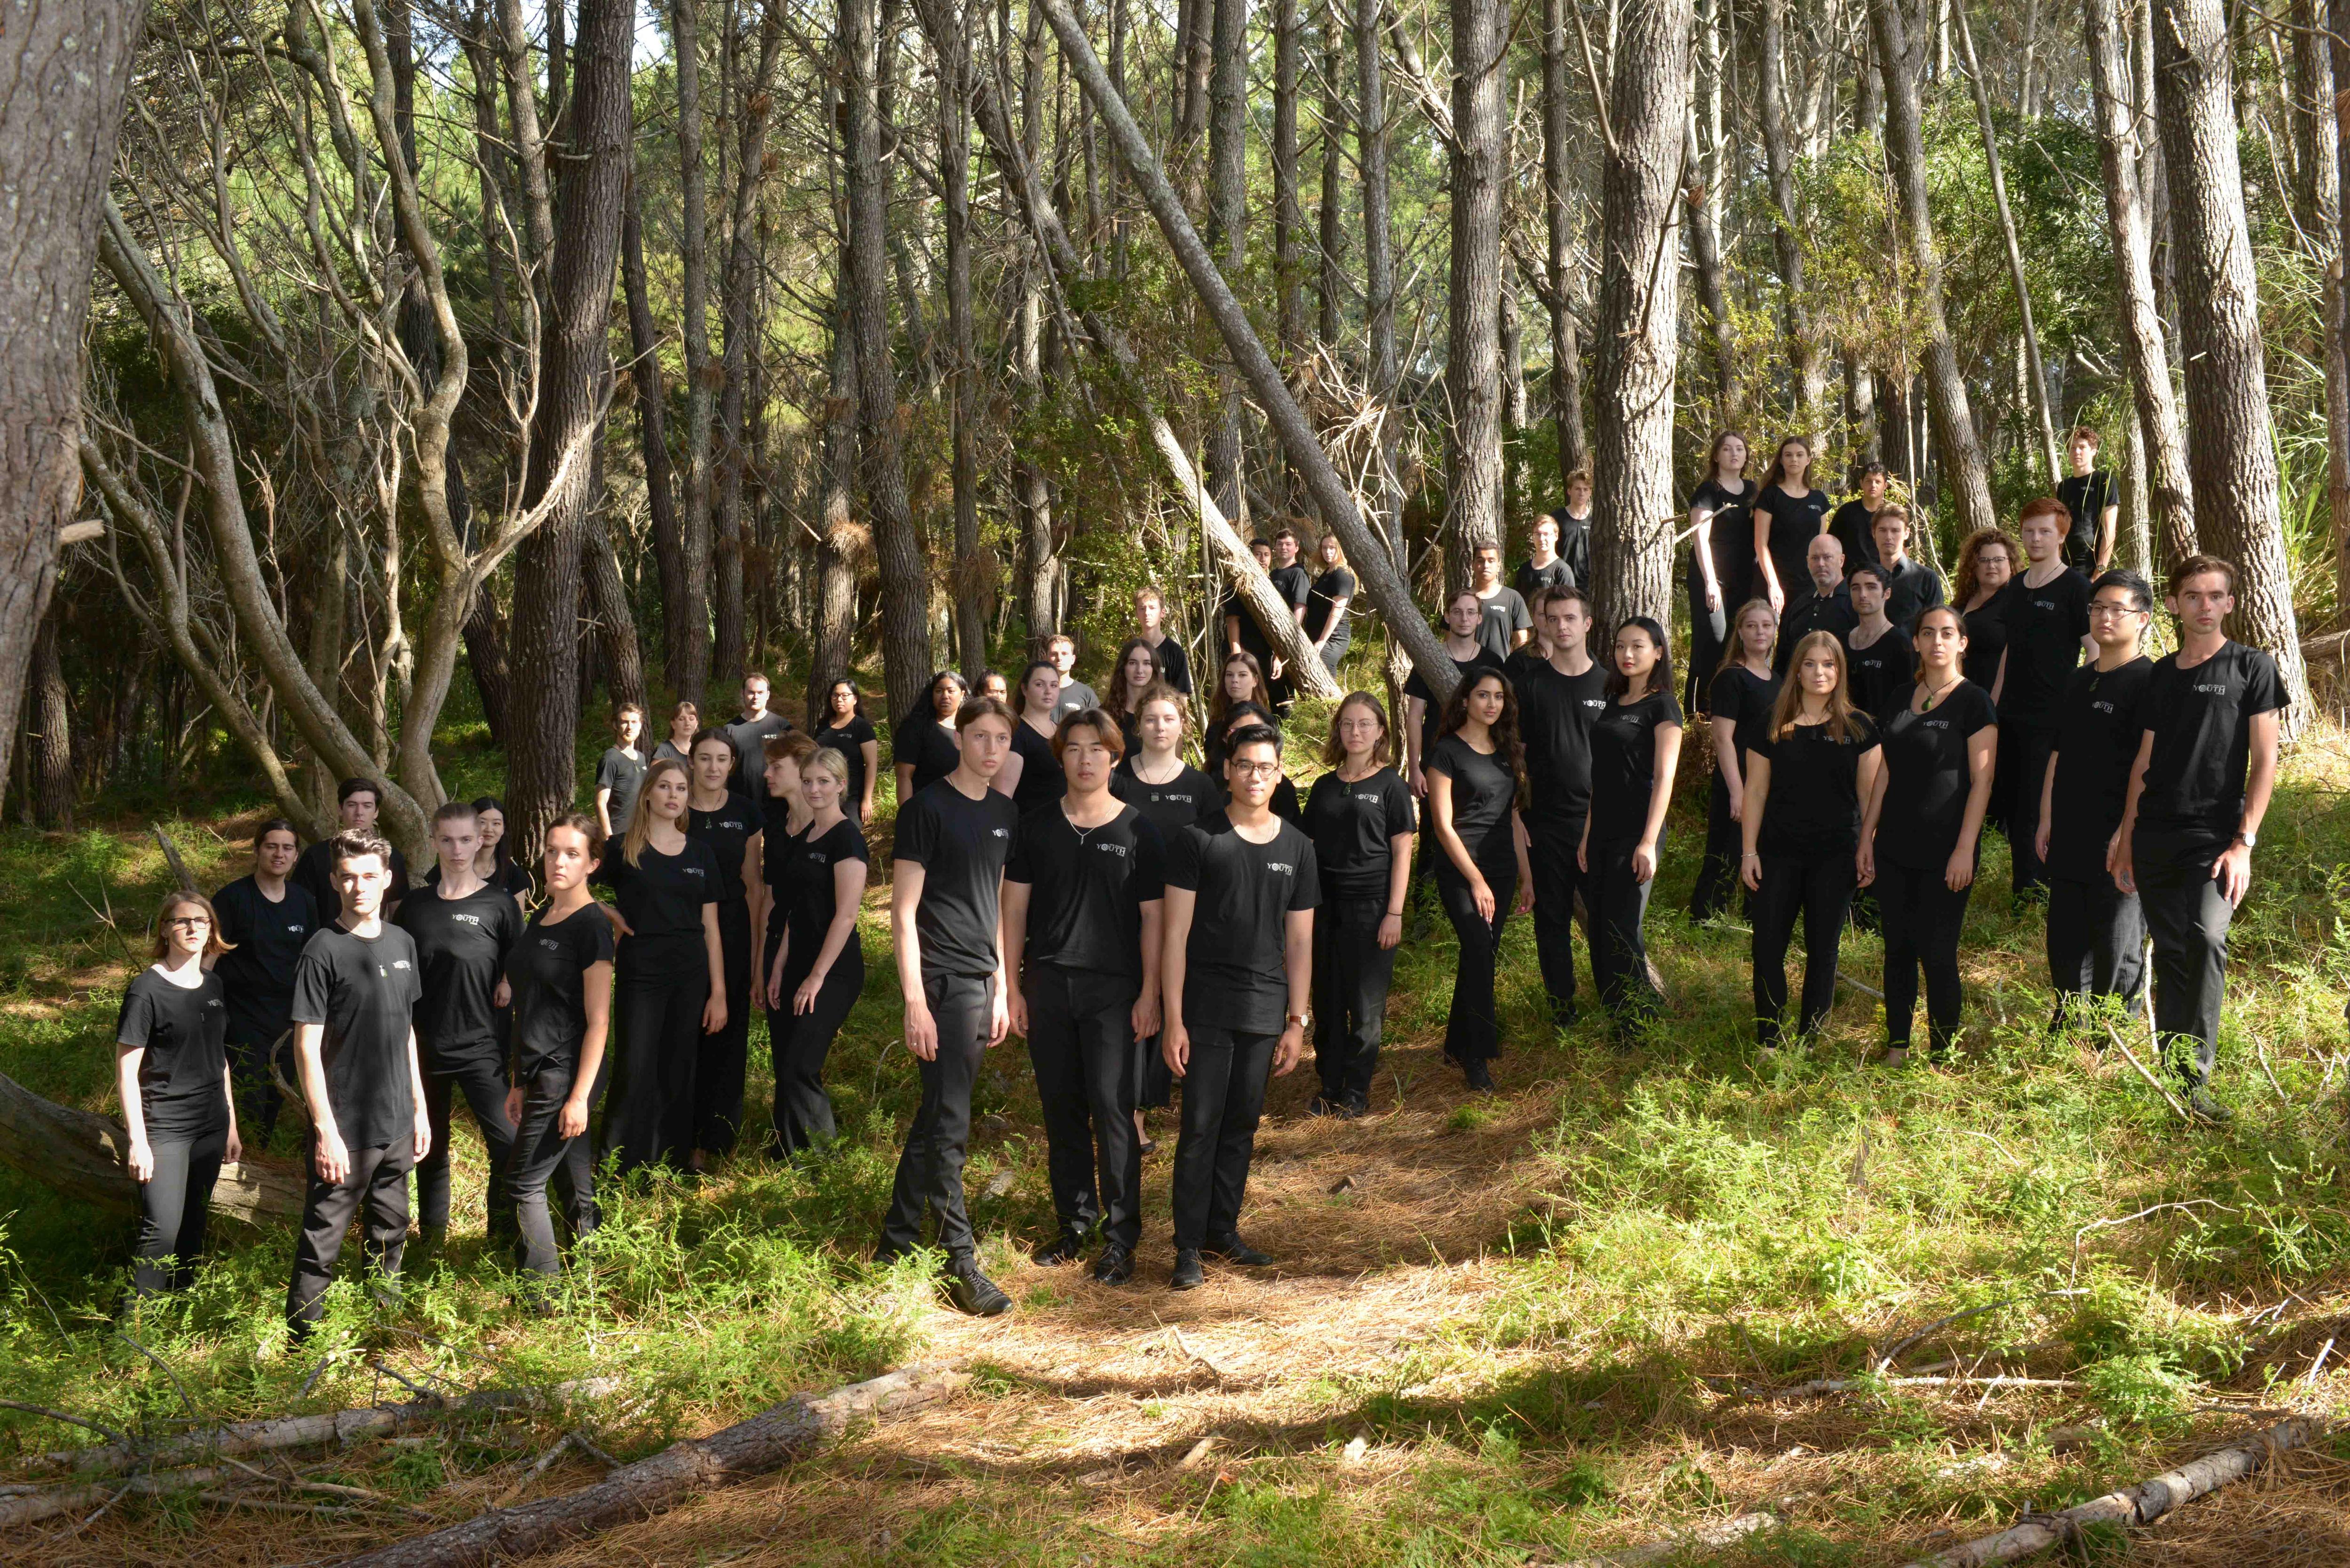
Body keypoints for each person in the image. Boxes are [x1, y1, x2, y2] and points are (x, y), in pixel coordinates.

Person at [2110, 556, 2284, 1120]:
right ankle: (2177, 1084)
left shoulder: (2251, 667)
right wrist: (2126, 835)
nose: (2203, 606)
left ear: (2229, 603)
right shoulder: (2161, 674)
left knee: (2207, 939)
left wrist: (2243, 843)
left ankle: (2196, 1083)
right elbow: (2144, 758)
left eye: (2214, 596)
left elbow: (2264, 762)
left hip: (2215, 837)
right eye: (2192, 596)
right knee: (2174, 954)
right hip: (2156, 833)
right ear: (2173, 604)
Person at [1003, 711, 1164, 1284]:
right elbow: (1013, 910)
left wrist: (1150, 993)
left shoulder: (1139, 830)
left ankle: (1121, 1239)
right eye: (1073, 749)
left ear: (1115, 758)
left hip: (1114, 993)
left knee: (1113, 1111)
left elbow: (1154, 921)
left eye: (1097, 750)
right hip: (1047, 984)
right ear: (1061, 757)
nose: (1085, 759)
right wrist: (1010, 986)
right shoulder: (1037, 825)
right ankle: (1074, 1224)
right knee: (1061, 1109)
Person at [877, 695, 1020, 1316]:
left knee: (938, 1113)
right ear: (960, 738)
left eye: (1001, 739)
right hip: (938, 985)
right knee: (951, 1125)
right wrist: (915, 1002)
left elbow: (992, 905)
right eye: (981, 736)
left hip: (979, 983)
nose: (991, 749)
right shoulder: (926, 809)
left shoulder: (1004, 813)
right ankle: (959, 1262)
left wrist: (1002, 987)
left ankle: (895, 1243)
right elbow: (901, 914)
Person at [1161, 723, 1318, 1290]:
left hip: (1263, 1006)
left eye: (1266, 767)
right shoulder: (1198, 839)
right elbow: (1173, 936)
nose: (1255, 776)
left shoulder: (1298, 848)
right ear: (1227, 770)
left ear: (1279, 775)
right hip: (1204, 1006)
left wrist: (1296, 1021)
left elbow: (1299, 942)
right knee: (1200, 1125)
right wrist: (1172, 1018)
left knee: (1241, 1125)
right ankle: (1186, 1248)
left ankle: (1220, 1233)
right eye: (1245, 765)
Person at [284, 831, 430, 1337]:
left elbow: (405, 1030)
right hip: (345, 1127)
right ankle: (302, 1350)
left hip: (397, 1121)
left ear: (388, 879)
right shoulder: (322, 950)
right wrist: (324, 1129)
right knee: (322, 1243)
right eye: (348, 877)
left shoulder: (402, 942)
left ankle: (381, 1330)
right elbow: (306, 1046)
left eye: (369, 876)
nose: (359, 886)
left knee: (391, 1234)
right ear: (333, 882)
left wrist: (420, 1107)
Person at [1859, 606, 1998, 1066]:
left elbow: (1981, 782)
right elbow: (1883, 773)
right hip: (1894, 845)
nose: (1936, 641)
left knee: (1937, 954)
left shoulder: (1974, 701)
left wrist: (1964, 849)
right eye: (1926, 633)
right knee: (1897, 948)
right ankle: (1897, 1045)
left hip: (1945, 851)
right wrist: (1866, 837)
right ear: (1916, 643)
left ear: (1961, 643)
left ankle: (1942, 1056)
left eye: (1946, 634)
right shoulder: (1900, 696)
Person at [1740, 635, 1881, 1050]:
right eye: (1810, 664)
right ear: (1796, 670)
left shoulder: (1861, 728)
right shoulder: (1771, 723)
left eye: (1829, 664)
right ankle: (1769, 1036)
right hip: (1777, 853)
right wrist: (1749, 851)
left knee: (1823, 950)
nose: (1820, 673)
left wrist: (1868, 847)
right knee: (1767, 946)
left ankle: (1810, 1040)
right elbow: (1755, 793)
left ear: (1840, 671)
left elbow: (1870, 798)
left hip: (1837, 855)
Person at [394, 800, 522, 1247]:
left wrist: (508, 979)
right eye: (447, 839)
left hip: (482, 1045)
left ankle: (501, 1238)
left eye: (466, 839)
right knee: (430, 1149)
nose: (457, 849)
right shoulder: (413, 907)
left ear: (481, 839)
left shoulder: (500, 904)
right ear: (433, 841)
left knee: (507, 1143)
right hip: (424, 1046)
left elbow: (519, 962)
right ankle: (432, 1241)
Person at [592, 759, 726, 1173]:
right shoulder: (623, 849)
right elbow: (571, 882)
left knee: (679, 1065)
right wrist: (605, 910)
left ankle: (671, 1159)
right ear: (648, 793)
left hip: (690, 973)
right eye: (665, 787)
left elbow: (712, 928)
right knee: (635, 1063)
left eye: (681, 788)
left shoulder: (701, 852)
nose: (673, 795)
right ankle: (616, 1161)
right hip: (641, 970)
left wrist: (718, 993)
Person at [2035, 570, 2154, 1033]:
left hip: (2118, 835)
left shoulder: (2149, 682)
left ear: (2141, 618)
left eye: (2117, 609)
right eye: (2097, 608)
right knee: (2063, 937)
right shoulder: (2077, 680)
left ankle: (2113, 1037)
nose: (2104, 617)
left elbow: (2147, 768)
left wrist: (2126, 833)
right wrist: (2045, 817)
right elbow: (2058, 753)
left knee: (2115, 941)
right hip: (2068, 829)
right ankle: (2069, 1026)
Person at [500, 813, 612, 1286]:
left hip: (567, 1071)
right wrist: (517, 1080)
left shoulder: (592, 926)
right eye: (552, 851)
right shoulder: (541, 917)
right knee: (573, 1176)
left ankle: (542, 1294)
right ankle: (590, 1273)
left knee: (523, 1182)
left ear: (592, 863)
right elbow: (530, 1007)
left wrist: (579, 1098)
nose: (558, 861)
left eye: (571, 853)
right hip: (538, 1067)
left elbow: (598, 1020)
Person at [1112, 683, 1219, 1151]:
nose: (1159, 727)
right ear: (1138, 726)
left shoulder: (1199, 786)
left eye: (1168, 719)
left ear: (1183, 725)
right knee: (1128, 1009)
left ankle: (1148, 1105)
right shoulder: (1117, 779)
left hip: (1182, 919)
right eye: (1151, 719)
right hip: (1120, 912)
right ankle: (1122, 1113)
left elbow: (1220, 847)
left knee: (1167, 1006)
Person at [117, 892, 239, 1296]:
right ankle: (133, 1335)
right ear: (165, 928)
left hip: (212, 1124)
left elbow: (219, 1057)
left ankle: (181, 1308)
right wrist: (138, 1141)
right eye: (182, 921)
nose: (192, 928)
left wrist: (232, 1126)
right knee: (161, 1231)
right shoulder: (145, 990)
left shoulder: (214, 984)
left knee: (194, 1222)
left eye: (201, 921)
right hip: (165, 1127)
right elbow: (127, 1072)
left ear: (211, 931)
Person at [1301, 694, 1415, 1117]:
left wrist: (1395, 912)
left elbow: (1402, 851)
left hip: (1372, 909)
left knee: (1365, 1007)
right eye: (1348, 724)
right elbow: (1307, 848)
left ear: (1381, 730)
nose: (1355, 732)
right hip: (1325, 908)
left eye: (1365, 724)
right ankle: (1329, 1086)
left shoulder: (1391, 786)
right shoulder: (1324, 787)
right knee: (1328, 1002)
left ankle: (1356, 1092)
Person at [1426, 671, 1535, 1088]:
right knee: (1478, 947)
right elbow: (1442, 826)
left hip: (1503, 869)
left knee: (1481, 952)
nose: (1492, 704)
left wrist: (1526, 876)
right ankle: (1477, 1055)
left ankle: (1457, 1043)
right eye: (1483, 695)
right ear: (1466, 700)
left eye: (1499, 697)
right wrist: (1475, 880)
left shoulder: (1507, 751)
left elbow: (1512, 819)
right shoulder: (1447, 752)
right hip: (1460, 868)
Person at [763, 747, 868, 1159]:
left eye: (824, 781)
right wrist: (779, 968)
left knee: (801, 1065)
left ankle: (825, 1160)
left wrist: (816, 977)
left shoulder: (847, 838)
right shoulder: (806, 837)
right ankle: (786, 1152)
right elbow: (793, 911)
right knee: (786, 1061)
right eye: (807, 781)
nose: (814, 789)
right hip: (797, 961)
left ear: (842, 785)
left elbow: (845, 916)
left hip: (835, 970)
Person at [1581, 618, 1683, 1029]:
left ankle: (1638, 1024)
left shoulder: (1664, 706)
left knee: (1624, 928)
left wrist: (1648, 841)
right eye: (1621, 646)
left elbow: (1666, 777)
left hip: (1637, 832)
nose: (1627, 654)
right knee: (1600, 927)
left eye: (1638, 646)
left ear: (1658, 652)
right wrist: (1587, 834)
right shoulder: (1612, 701)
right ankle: (1615, 1016)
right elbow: (1599, 777)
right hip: (1602, 829)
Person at [1514, 587, 1608, 1027]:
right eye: (1554, 619)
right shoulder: (1531, 684)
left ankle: (1617, 1002)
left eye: (1571, 618)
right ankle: (1562, 1010)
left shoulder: (1609, 685)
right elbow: (1516, 755)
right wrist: (1518, 816)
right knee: (1551, 919)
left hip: (1600, 823)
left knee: (1606, 918)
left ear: (1587, 623)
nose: (1563, 626)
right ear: (1544, 625)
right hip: (1545, 822)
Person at [1992, 500, 2092, 905]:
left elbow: (2095, 652)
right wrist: (1992, 706)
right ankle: (2024, 886)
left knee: (2039, 803)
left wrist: (2083, 710)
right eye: (2030, 531)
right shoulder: (2015, 586)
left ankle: (2042, 889)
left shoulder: (2076, 587)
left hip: (2052, 715)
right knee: (2014, 805)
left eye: (2045, 532)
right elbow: (2008, 651)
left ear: (2062, 536)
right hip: (2011, 711)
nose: (2036, 539)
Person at [212, 820, 319, 1145]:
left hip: (288, 1019)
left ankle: (261, 1154)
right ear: (257, 850)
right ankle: (237, 1154)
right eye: (272, 846)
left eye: (287, 848)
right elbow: (210, 956)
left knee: (276, 1097)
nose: (279, 854)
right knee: (249, 1098)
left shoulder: (304, 901)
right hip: (242, 1018)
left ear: (296, 856)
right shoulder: (232, 898)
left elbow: (312, 960)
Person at [685, 729, 763, 1169]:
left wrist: (755, 959)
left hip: (733, 929)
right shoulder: (676, 808)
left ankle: (718, 1140)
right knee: (687, 1032)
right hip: (684, 932)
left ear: (732, 765)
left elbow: (753, 886)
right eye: (704, 759)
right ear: (691, 762)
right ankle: (680, 1131)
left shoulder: (746, 813)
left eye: (722, 759)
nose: (713, 768)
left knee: (728, 1034)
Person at [1692, 601, 1780, 922]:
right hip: (1737, 781)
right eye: (1752, 626)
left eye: (1766, 626)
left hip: (1767, 783)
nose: (1760, 632)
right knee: (1725, 854)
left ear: (1774, 631)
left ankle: (1754, 922)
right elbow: (1722, 738)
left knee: (1762, 854)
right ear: (1740, 632)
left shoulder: (1779, 680)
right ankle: (1706, 923)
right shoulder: (1731, 678)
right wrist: (1737, 791)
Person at [1405, 589, 1508, 795]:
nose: (1464, 619)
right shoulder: (1428, 660)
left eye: (1471, 612)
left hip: (1481, 762)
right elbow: (1415, 717)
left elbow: (1502, 715)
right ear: (1447, 616)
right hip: (1434, 756)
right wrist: (1414, 768)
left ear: (1480, 618)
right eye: (1457, 612)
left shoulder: (1493, 662)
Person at [1686, 434, 1757, 709]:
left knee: (1735, 643)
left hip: (1743, 579)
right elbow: (1699, 538)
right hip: (1711, 578)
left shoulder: (1753, 491)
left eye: (1739, 449)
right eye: (1727, 449)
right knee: (1712, 641)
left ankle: (1727, 707)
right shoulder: (1708, 491)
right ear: (1716, 456)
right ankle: (1698, 713)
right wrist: (1710, 583)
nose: (1734, 454)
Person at [292, 779, 410, 917]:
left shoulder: (391, 856)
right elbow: (298, 906)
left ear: (376, 812)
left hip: (373, 937)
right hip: (325, 936)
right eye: (352, 805)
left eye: (367, 806)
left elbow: (397, 913)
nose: (359, 812)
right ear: (340, 809)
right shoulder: (316, 855)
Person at [1751, 437, 1831, 619]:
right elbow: (1760, 544)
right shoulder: (1770, 495)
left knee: (1802, 638)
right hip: (1773, 579)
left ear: (1808, 460)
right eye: (1788, 455)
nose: (1794, 459)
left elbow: (1821, 545)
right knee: (1765, 635)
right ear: (1781, 460)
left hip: (1808, 582)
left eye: (1799, 455)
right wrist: (1773, 584)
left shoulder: (1819, 499)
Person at [1774, 534, 1855, 677]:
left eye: (1827, 557)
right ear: (1807, 562)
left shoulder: (1855, 603)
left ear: (1841, 560)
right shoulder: (1799, 604)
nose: (1821, 564)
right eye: (1815, 558)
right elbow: (1782, 658)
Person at [1954, 527, 2020, 694]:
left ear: (2011, 564)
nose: (1991, 565)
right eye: (1983, 560)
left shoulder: (2017, 602)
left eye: (1998, 559)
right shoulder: (1961, 601)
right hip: (1956, 695)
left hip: (1995, 697)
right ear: (1974, 566)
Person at [1002, 658, 1070, 813]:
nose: (1048, 691)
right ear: (1025, 689)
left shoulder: (1063, 732)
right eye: (1040, 685)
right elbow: (1003, 797)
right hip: (1029, 828)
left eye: (1054, 685)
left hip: (1063, 826)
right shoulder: (1015, 732)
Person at [1844, 564, 1912, 718]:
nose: (1863, 595)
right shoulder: (1840, 642)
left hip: (1882, 737)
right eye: (1856, 588)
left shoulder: (1900, 644)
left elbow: (1906, 702)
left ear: (1887, 593)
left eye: (1871, 587)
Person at [811, 678, 879, 825]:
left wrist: (867, 798)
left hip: (852, 797)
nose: (839, 699)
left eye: (844, 696)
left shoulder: (862, 728)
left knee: (849, 838)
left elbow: (871, 765)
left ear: (855, 699)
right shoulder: (823, 725)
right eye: (835, 696)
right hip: (824, 795)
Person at [895, 671, 967, 805]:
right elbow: (904, 776)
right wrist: (907, 814)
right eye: (939, 691)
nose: (945, 696)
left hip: (966, 807)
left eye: (951, 691)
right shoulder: (914, 727)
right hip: (927, 809)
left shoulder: (971, 728)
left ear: (962, 694)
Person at [1872, 505, 1946, 630]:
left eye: (1895, 531)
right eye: (1883, 530)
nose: (1888, 537)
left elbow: (1937, 625)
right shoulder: (1863, 577)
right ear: (1874, 533)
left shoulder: (1926, 578)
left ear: (1906, 534)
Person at [2057, 426, 2119, 574]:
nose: (2076, 452)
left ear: (2093, 451)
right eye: (2072, 448)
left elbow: (2109, 530)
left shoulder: (2104, 480)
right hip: (2064, 566)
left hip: (2090, 566)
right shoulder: (2064, 486)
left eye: (2082, 447)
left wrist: (2100, 570)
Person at [725, 673, 793, 806]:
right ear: (743, 693)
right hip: (740, 802)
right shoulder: (730, 729)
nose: (756, 697)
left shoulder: (783, 727)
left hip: (776, 802)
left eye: (761, 693)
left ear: (768, 695)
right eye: (751, 692)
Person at [1205, 651, 1276, 776]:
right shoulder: (1217, 719)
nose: (1235, 680)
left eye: (1242, 675)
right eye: (1229, 675)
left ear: (1255, 680)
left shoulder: (1264, 721)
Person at [1469, 543, 1533, 662]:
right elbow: (1450, 641)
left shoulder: (1513, 598)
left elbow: (1521, 643)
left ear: (1499, 566)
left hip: (1502, 673)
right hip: (1466, 674)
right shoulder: (1461, 599)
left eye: (1491, 561)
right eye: (1480, 560)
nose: (1486, 565)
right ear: (1473, 565)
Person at [1305, 530, 1356, 676]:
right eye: (1324, 547)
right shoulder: (1328, 572)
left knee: (1323, 666)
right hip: (1318, 635)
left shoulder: (1343, 574)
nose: (1328, 551)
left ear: (1340, 549)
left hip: (1334, 638)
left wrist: (1322, 641)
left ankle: (1333, 699)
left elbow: (1338, 609)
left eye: (1332, 547)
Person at [1223, 537, 1280, 668]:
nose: (1263, 559)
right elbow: (1232, 619)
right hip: (1243, 649)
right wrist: (1236, 652)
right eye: (1258, 554)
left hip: (1265, 652)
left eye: (1267, 555)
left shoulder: (1272, 585)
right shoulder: (1237, 584)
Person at [595, 705, 649, 841]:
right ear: (615, 725)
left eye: (634, 722)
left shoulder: (641, 757)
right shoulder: (611, 758)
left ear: (641, 725)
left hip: (640, 834)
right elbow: (600, 802)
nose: (630, 727)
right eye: (625, 722)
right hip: (618, 835)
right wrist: (609, 838)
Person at [1103, 637, 1164, 753]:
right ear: (1123, 667)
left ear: (1154, 669)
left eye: (1146, 663)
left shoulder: (1164, 714)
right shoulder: (1105, 715)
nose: (1140, 670)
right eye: (1133, 663)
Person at [1133, 584, 1194, 695]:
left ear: (1163, 612)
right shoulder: (1132, 651)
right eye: (1142, 609)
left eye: (1152, 608)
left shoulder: (1175, 653)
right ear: (1137, 614)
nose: (1147, 613)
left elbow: (1182, 698)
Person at [1830, 463, 1890, 571]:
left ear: (1885, 485)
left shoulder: (1891, 515)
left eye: (1878, 482)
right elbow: (1831, 545)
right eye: (1868, 481)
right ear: (1861, 483)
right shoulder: (1846, 512)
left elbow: (1903, 548)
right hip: (1850, 578)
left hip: (1882, 578)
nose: (1873, 485)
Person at [1515, 509, 1575, 603]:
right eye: (1538, 534)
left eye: (1546, 534)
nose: (1542, 539)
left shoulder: (1562, 571)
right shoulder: (1524, 570)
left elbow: (1568, 607)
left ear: (1556, 536)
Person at [1043, 632, 1101, 722]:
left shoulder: (1086, 694)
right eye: (1054, 654)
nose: (1059, 658)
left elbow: (1098, 727)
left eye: (1064, 654)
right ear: (1045, 658)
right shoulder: (1036, 691)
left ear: (1073, 659)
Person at [653, 700, 700, 767]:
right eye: (682, 719)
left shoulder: (699, 750)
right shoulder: (665, 750)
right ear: (673, 724)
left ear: (696, 724)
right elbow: (654, 776)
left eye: (691, 719)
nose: (687, 723)